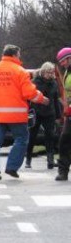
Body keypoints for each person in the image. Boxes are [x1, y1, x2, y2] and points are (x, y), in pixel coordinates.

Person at [0, 45, 48, 180]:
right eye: (19, 55)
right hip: (17, 116)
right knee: (21, 140)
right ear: (15, 55)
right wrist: (41, 98)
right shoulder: (20, 71)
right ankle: (11, 167)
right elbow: (29, 93)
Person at [26, 62, 61, 169]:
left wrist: (58, 116)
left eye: (51, 72)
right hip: (36, 112)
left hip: (49, 113)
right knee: (32, 136)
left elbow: (55, 100)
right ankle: (28, 159)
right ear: (43, 71)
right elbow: (30, 98)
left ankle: (50, 160)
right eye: (48, 72)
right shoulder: (35, 82)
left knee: (49, 136)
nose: (50, 74)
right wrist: (27, 112)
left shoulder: (54, 83)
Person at [55, 47, 71, 181]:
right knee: (64, 141)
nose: (62, 64)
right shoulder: (67, 73)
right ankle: (63, 171)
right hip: (70, 113)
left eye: (63, 61)